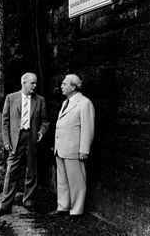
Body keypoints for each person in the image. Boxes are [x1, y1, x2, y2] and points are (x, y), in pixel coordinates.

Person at [0, 72, 49, 217]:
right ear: (23, 83)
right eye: (32, 83)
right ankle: (5, 205)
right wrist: (6, 142)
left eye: (36, 83)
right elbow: (5, 122)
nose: (35, 86)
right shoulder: (11, 98)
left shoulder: (40, 100)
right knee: (11, 173)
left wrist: (42, 131)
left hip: (32, 139)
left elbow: (45, 121)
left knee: (32, 172)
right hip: (15, 140)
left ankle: (29, 202)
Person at [48, 74, 95, 220]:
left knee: (76, 182)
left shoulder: (84, 103)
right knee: (62, 181)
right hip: (61, 149)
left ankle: (76, 211)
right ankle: (63, 207)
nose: (61, 86)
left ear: (73, 87)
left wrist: (84, 150)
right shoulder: (65, 102)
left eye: (64, 84)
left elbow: (88, 128)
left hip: (74, 150)